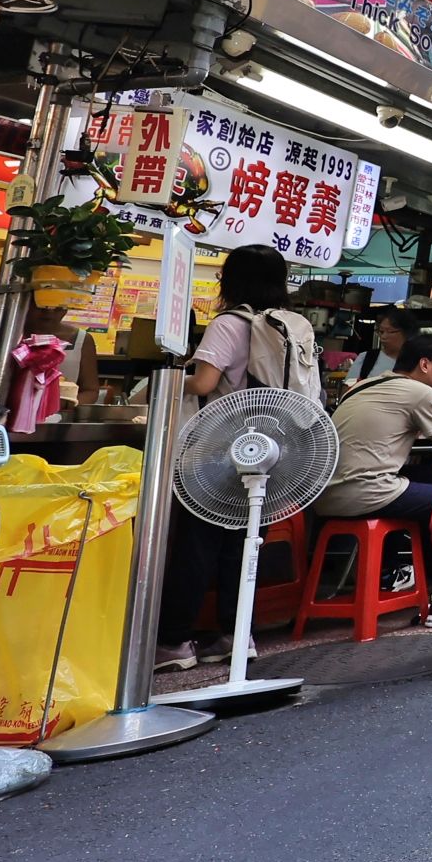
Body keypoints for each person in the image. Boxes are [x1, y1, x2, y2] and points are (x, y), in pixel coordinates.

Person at [155, 244, 313, 670]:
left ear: (230, 279)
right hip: (271, 449)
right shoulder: (295, 325)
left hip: (221, 447)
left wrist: (166, 381)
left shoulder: (229, 323)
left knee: (197, 544)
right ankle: (235, 634)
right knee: (242, 544)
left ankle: (173, 641)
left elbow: (205, 383)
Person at [314, 332, 432, 603]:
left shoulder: (363, 386)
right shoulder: (420, 392)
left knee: (427, 476)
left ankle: (398, 571)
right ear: (425, 365)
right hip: (366, 493)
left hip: (325, 495)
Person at [346, 308, 421, 386]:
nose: (383, 336)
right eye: (381, 331)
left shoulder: (420, 363)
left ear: (407, 333)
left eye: (390, 331)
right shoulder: (366, 358)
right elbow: (347, 388)